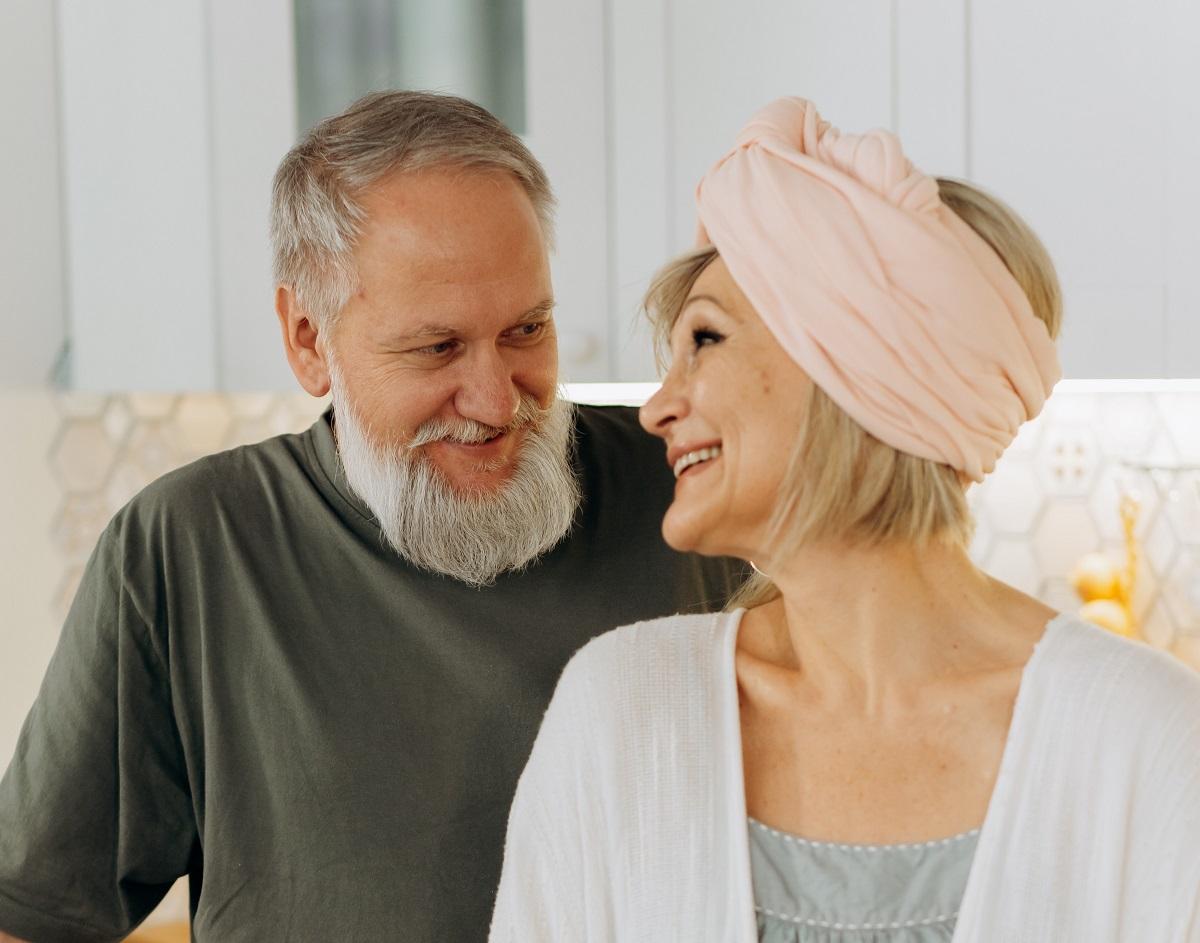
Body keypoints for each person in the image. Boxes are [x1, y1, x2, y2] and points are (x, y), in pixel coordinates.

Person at [0, 91, 742, 943]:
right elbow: (30, 918)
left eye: (527, 329)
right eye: (437, 347)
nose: (496, 400)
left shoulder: (690, 491)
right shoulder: (189, 548)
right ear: (309, 339)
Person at [489, 97, 1200, 941]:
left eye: (705, 341)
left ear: (859, 371)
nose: (658, 409)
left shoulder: (1145, 738)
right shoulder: (624, 712)